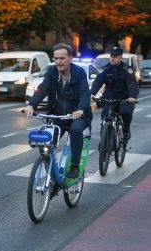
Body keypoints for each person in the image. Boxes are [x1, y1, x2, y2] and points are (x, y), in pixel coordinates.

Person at [23, 43, 92, 179]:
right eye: (56, 58)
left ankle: (74, 166)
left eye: (62, 58)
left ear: (70, 59)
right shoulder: (52, 72)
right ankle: (51, 173)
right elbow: (42, 89)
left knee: (75, 130)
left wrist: (80, 109)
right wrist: (31, 105)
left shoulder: (79, 73)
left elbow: (85, 93)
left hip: (77, 116)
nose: (58, 62)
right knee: (45, 143)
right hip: (58, 116)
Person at [91, 46, 137, 140]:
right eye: (111, 56)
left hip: (124, 99)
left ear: (120, 57)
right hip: (109, 98)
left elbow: (132, 83)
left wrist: (132, 96)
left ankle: (126, 128)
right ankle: (104, 145)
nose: (112, 58)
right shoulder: (107, 68)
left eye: (115, 56)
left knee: (125, 112)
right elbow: (99, 80)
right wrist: (92, 93)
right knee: (104, 117)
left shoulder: (127, 69)